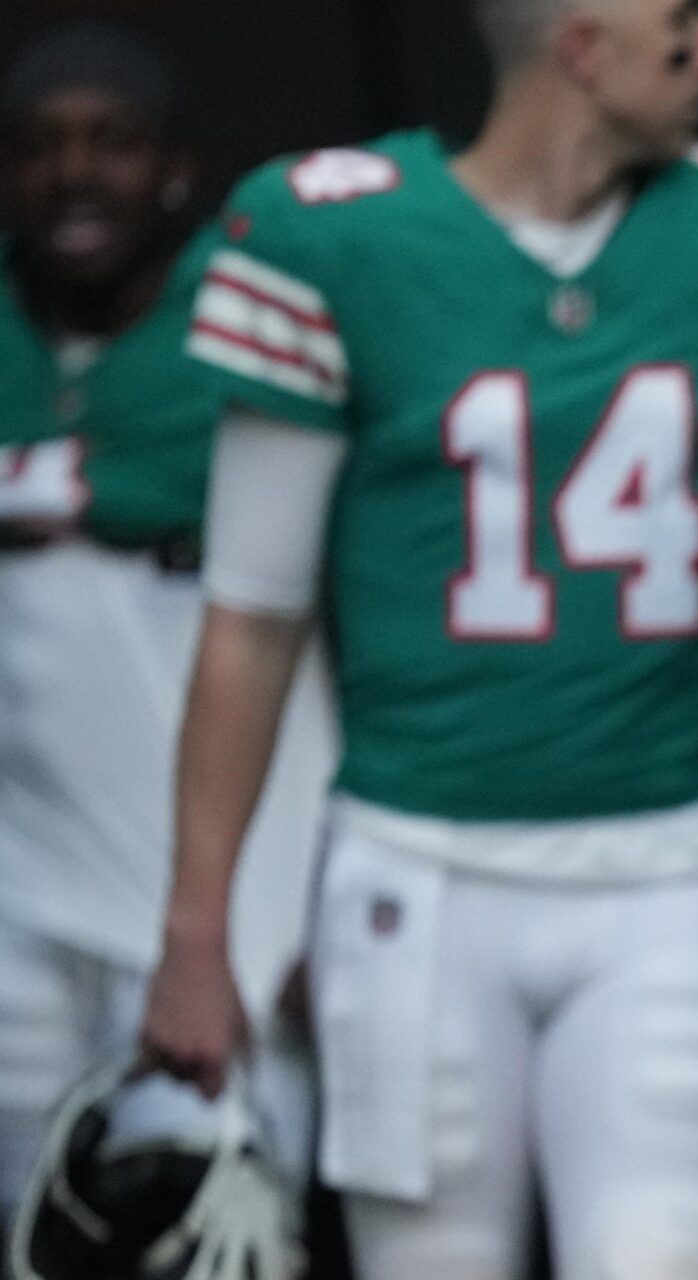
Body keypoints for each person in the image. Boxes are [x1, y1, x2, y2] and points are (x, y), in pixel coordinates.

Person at [134, 0, 698, 1275]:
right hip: (421, 869)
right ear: (583, 48)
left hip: (667, 864)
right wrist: (196, 938)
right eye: (682, 28)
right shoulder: (335, 232)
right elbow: (250, 623)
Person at [0, 20, 330, 1225]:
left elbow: (283, 537)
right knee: (42, 1232)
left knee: (223, 1226)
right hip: (24, 886)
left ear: (177, 168)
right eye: (38, 147)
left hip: (233, 902)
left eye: (113, 142)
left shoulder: (242, 316)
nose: (75, 173)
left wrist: (322, 902)